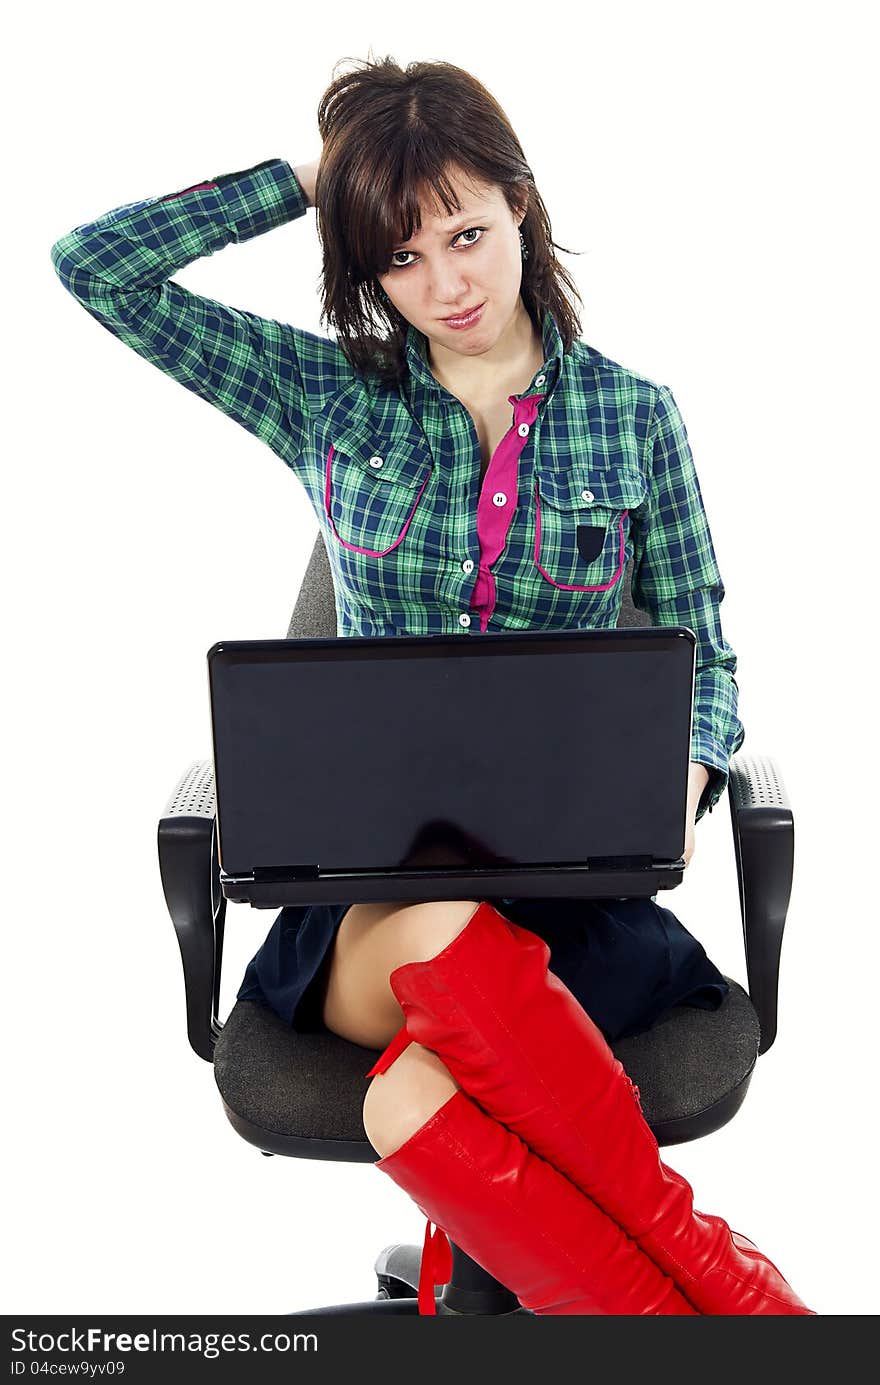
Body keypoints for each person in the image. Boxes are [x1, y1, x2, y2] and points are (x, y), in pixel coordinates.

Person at [50, 55, 814, 1316]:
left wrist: (685, 768)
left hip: (574, 913)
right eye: (398, 256)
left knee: (412, 1096)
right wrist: (314, 176)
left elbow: (709, 656)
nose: (445, 284)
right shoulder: (325, 395)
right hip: (365, 914)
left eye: (465, 231)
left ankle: (579, 1281)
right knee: (426, 927)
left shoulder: (634, 420)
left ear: (522, 203)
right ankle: (724, 1298)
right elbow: (95, 266)